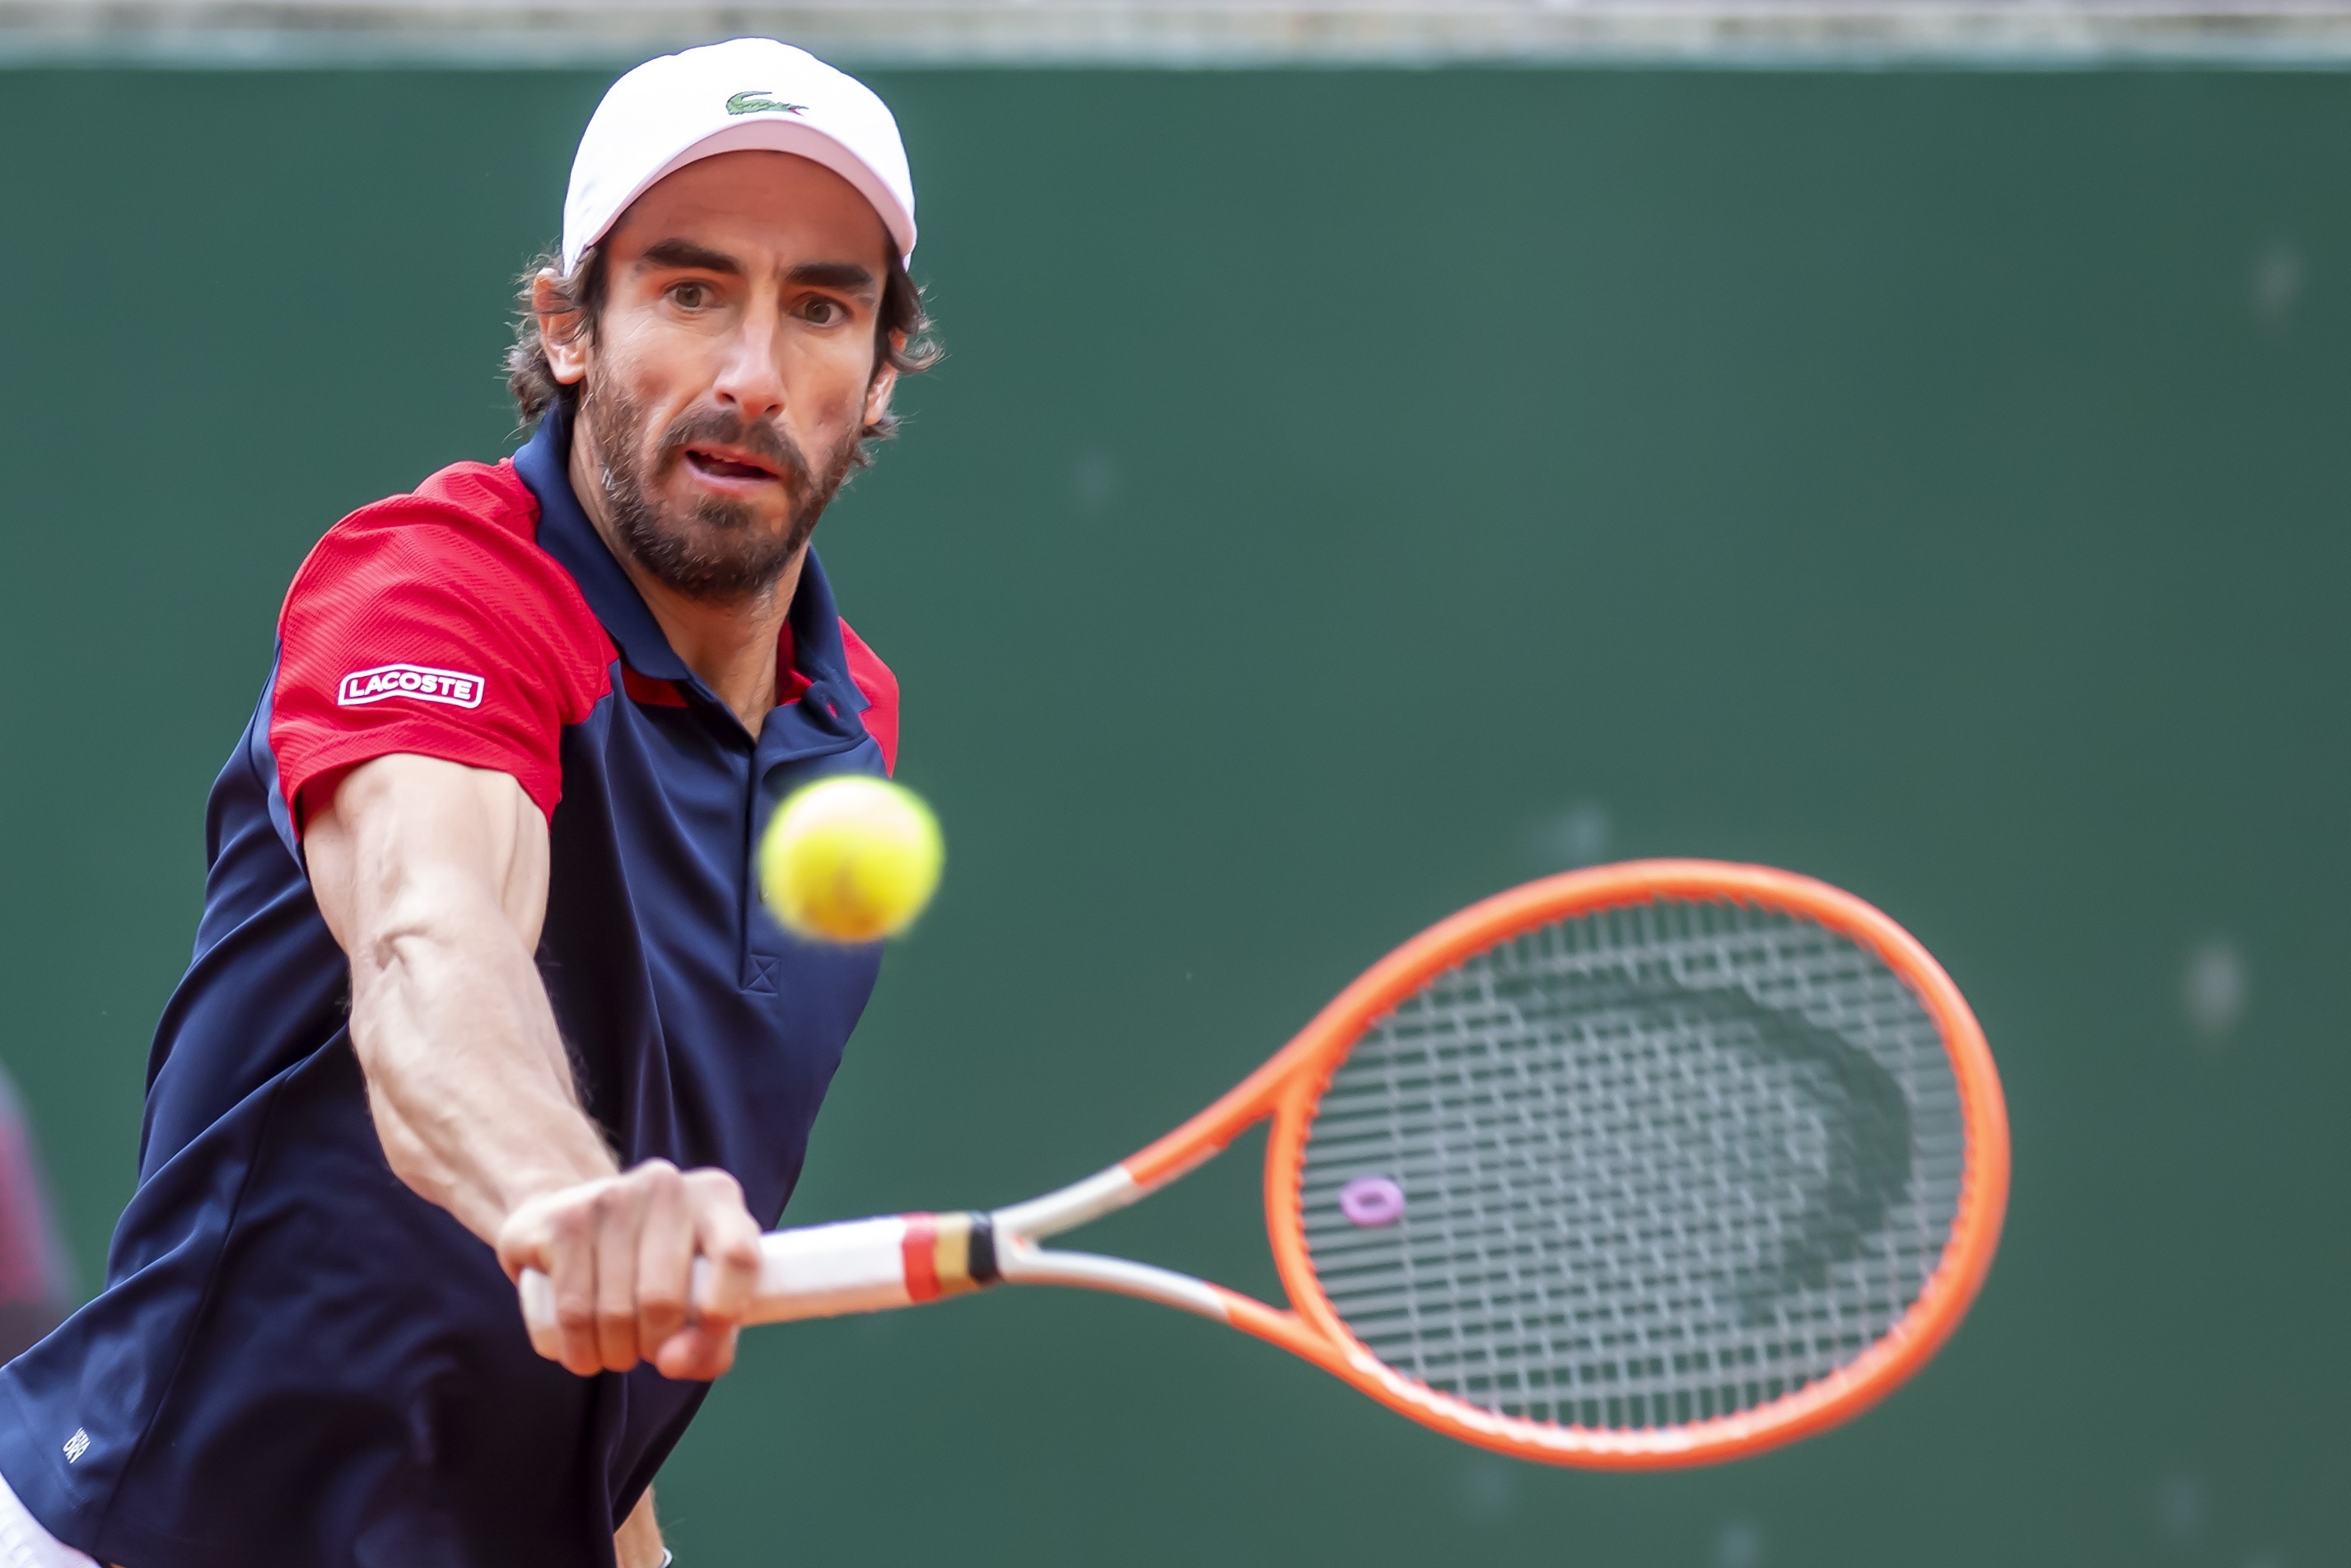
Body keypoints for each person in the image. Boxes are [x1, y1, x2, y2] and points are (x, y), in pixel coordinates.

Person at [0, 37, 934, 1567]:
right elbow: (432, 949)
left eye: (819, 308)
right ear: (570, 327)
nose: (752, 374)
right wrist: (571, 1202)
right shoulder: (440, 592)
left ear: (880, 370)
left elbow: (574, 1377)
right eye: (690, 291)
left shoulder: (846, 728)